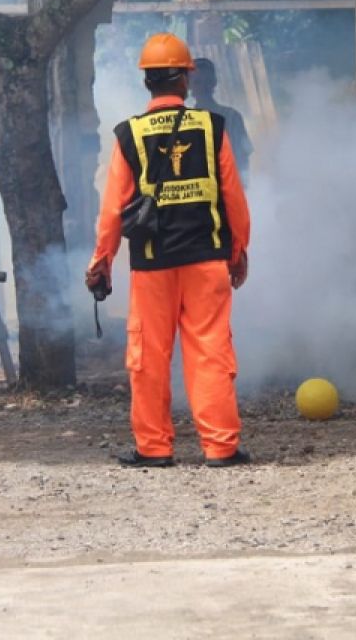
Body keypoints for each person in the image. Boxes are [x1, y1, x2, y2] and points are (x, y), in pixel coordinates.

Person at [86, 33, 252, 468]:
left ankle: (154, 448)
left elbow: (111, 210)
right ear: (184, 81)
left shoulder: (129, 135)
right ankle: (220, 448)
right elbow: (233, 197)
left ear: (148, 83)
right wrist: (238, 251)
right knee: (211, 351)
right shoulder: (211, 127)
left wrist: (101, 263)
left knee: (148, 356)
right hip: (206, 260)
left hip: (152, 265)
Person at [188, 57, 254, 184]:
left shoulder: (232, 117)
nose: (203, 86)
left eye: (207, 81)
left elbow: (243, 157)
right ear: (189, 85)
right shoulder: (186, 121)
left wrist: (242, 187)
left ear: (214, 82)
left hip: (228, 185)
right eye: (197, 82)